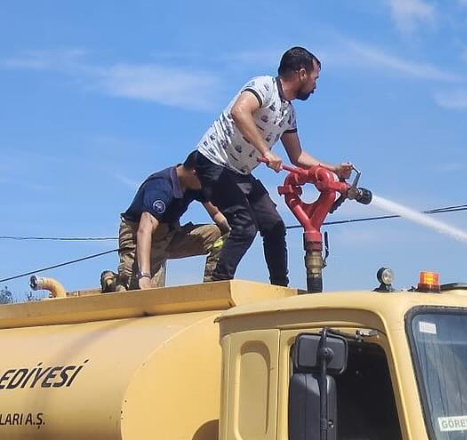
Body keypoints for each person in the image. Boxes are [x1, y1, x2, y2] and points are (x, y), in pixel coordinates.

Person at [191, 46, 353, 286]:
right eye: (315, 78)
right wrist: (266, 151)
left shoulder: (289, 112)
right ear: (301, 74)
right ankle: (217, 285)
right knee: (245, 227)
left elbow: (297, 156)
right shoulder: (263, 86)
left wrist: (333, 170)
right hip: (214, 162)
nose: (316, 86)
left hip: (240, 172)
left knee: (274, 225)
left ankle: (280, 287)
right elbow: (239, 111)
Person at [117, 152, 230, 289]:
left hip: (170, 235)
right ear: (194, 172)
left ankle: (213, 288)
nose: (208, 183)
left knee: (222, 234)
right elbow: (144, 231)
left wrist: (235, 229)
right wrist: (144, 275)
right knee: (139, 294)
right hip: (139, 238)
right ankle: (112, 281)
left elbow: (216, 213)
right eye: (206, 179)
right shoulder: (161, 186)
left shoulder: (196, 184)